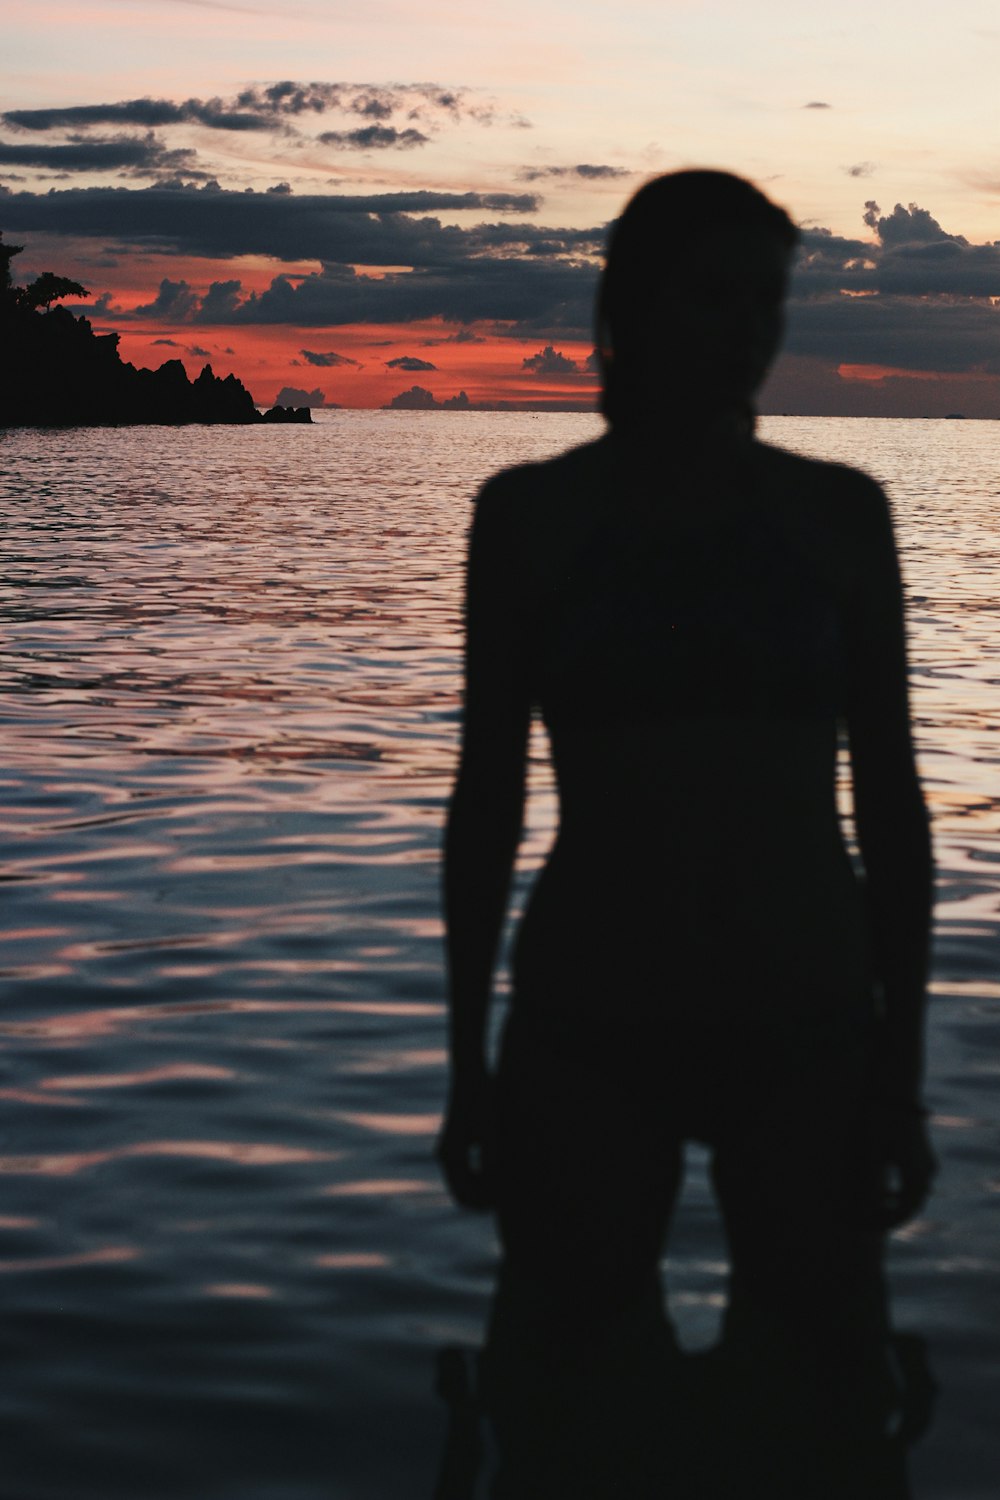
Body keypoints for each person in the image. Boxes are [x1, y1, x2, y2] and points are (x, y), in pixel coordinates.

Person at [437, 170, 936, 1381]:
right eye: (713, 298)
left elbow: (892, 803)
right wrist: (468, 1067)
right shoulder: (531, 519)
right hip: (588, 1020)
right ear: (633, 307)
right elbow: (487, 801)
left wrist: (902, 1071)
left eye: (766, 302)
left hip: (808, 1018)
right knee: (567, 1411)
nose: (747, 332)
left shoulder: (838, 519)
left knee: (818, 1412)